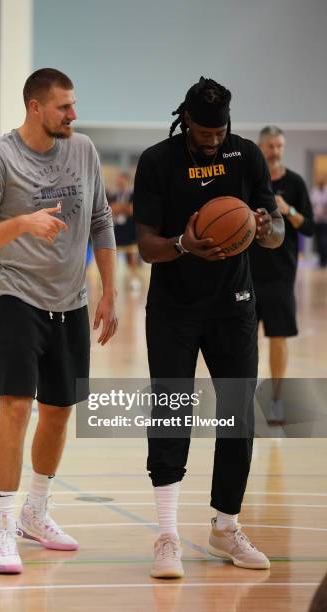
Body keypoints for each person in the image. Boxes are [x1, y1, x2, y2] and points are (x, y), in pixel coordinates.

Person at [0, 68, 118, 574]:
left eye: (73, 105)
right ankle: (2, 527)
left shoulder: (83, 150)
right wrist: (21, 223)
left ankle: (36, 510)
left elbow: (100, 220)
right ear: (35, 107)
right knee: (14, 405)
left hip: (70, 298)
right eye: (64, 107)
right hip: (15, 294)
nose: (73, 114)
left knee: (57, 411)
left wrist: (110, 289)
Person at [133, 76, 284, 579]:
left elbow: (275, 233)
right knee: (173, 412)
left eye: (220, 132)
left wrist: (266, 229)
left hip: (234, 306)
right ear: (186, 119)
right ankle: (167, 535)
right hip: (174, 308)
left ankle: (226, 525)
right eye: (204, 131)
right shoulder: (158, 160)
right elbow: (146, 244)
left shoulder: (247, 157)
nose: (213, 139)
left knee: (240, 415)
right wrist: (183, 244)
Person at [249, 126, 314, 424]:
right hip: (246, 273)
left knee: (277, 337)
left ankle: (276, 400)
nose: (275, 151)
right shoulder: (249, 179)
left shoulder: (296, 183)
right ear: (260, 147)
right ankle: (243, 401)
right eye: (269, 146)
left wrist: (288, 210)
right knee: (245, 341)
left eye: (279, 146)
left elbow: (309, 227)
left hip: (280, 274)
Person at [108, 171, 141, 290]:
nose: (118, 182)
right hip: (118, 229)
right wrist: (123, 207)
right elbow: (110, 209)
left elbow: (132, 210)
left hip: (130, 229)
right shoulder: (114, 195)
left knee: (131, 256)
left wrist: (120, 207)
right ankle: (111, 284)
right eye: (117, 180)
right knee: (112, 257)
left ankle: (134, 279)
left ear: (127, 180)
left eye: (121, 179)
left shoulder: (134, 194)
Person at [310, 175, 327, 267]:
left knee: (324, 241)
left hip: (325, 220)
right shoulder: (314, 191)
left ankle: (324, 260)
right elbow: (311, 205)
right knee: (319, 241)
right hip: (316, 220)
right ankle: (321, 260)